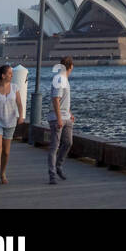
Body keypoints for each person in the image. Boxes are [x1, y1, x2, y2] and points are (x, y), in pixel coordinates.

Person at [47, 56, 74, 184]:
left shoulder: (64, 79)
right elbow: (55, 99)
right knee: (54, 147)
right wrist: (59, 119)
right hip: (57, 118)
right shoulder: (59, 79)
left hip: (66, 117)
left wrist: (69, 112)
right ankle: (52, 174)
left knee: (68, 143)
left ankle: (58, 165)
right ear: (71, 67)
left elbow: (63, 100)